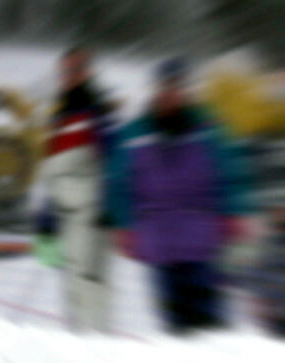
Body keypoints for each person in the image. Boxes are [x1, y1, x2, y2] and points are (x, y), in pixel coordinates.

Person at [108, 57, 253, 334]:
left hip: (202, 237)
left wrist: (234, 212)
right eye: (166, 88)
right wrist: (124, 226)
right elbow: (118, 185)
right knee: (175, 324)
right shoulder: (134, 133)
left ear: (187, 91)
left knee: (212, 321)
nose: (171, 95)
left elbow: (231, 172)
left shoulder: (210, 128)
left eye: (178, 88)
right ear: (156, 90)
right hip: (158, 239)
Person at [33, 46, 117, 333]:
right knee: (70, 285)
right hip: (63, 211)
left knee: (92, 285)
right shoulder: (59, 112)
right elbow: (51, 166)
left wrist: (108, 204)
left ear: (88, 71)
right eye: (66, 71)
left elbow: (113, 159)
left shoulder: (97, 110)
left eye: (76, 70)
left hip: (90, 212)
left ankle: (102, 350)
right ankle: (79, 349)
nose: (70, 76)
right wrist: (46, 209)